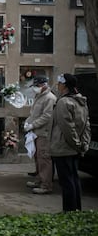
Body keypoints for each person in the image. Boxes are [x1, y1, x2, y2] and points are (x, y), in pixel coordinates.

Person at [50, 73, 90, 212]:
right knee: (73, 178)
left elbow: (67, 127)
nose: (58, 86)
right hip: (75, 148)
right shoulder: (81, 101)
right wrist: (83, 144)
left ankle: (69, 211)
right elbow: (86, 125)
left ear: (65, 85)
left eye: (60, 83)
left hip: (63, 147)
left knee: (66, 181)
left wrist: (76, 144)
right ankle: (76, 209)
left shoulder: (63, 102)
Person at [24, 75, 57, 194]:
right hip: (36, 132)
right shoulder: (39, 96)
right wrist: (28, 121)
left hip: (44, 132)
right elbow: (34, 113)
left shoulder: (49, 98)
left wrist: (33, 125)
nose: (35, 88)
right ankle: (39, 180)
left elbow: (47, 116)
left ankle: (46, 185)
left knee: (44, 158)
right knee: (37, 157)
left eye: (37, 86)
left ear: (44, 85)